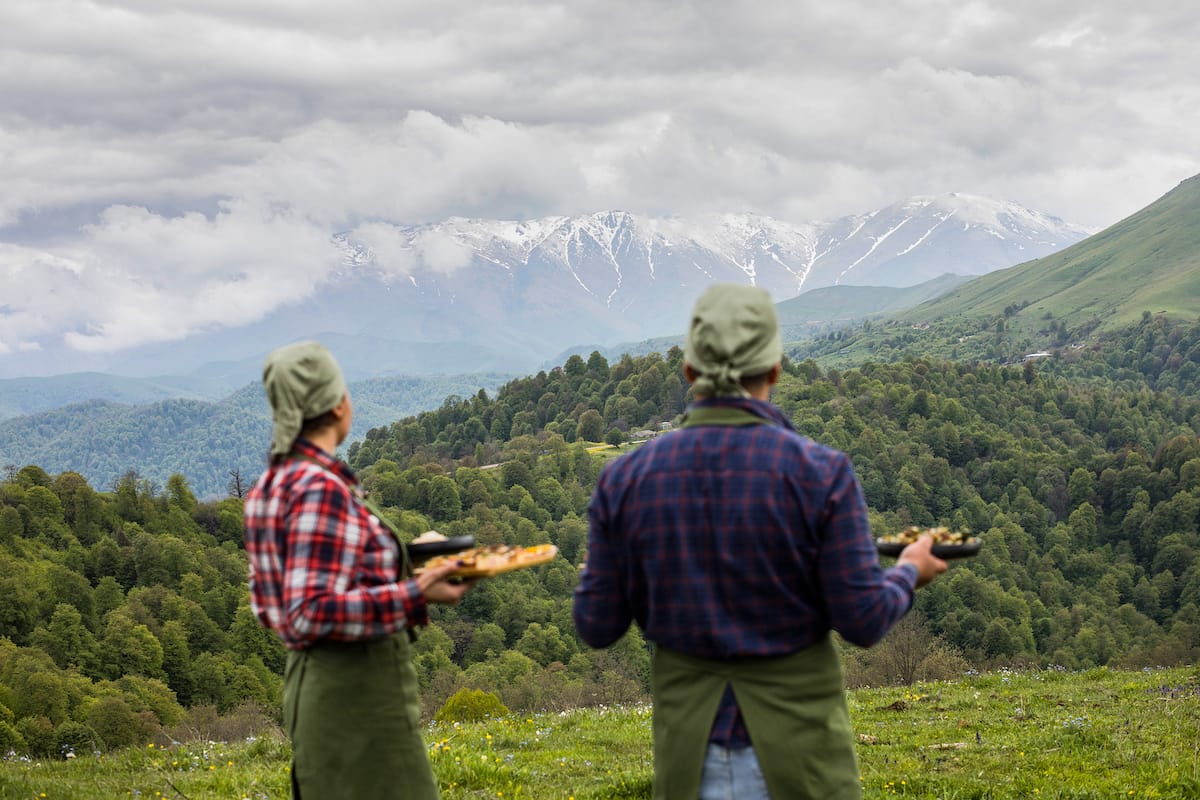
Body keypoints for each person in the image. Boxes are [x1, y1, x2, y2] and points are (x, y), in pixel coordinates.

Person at [573, 284, 948, 800]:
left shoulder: (625, 481)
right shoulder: (821, 473)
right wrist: (910, 570)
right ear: (774, 369)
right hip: (803, 761)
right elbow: (862, 620)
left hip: (687, 761)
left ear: (689, 373)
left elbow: (596, 625)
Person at [243, 340, 471, 799]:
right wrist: (417, 591)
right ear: (338, 405)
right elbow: (309, 610)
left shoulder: (271, 486)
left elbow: (277, 605)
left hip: (313, 690)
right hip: (356, 699)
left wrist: (403, 560)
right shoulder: (319, 488)